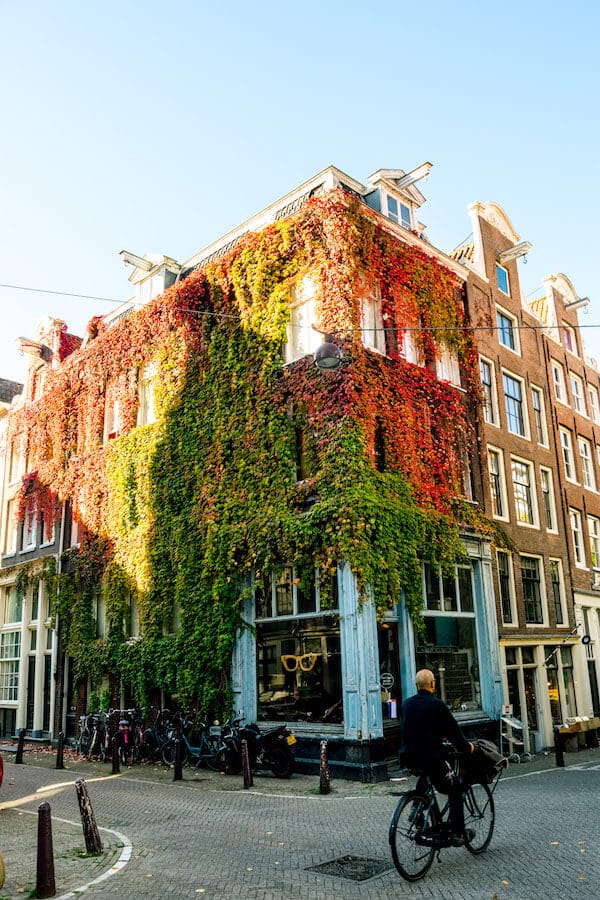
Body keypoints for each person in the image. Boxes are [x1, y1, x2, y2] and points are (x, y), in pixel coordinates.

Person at [399, 668, 475, 846]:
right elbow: (454, 731)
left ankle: (417, 808)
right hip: (431, 757)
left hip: (408, 757)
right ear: (433, 684)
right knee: (455, 787)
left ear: (417, 685)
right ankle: (457, 833)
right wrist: (466, 747)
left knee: (426, 776)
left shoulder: (406, 704)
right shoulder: (437, 705)